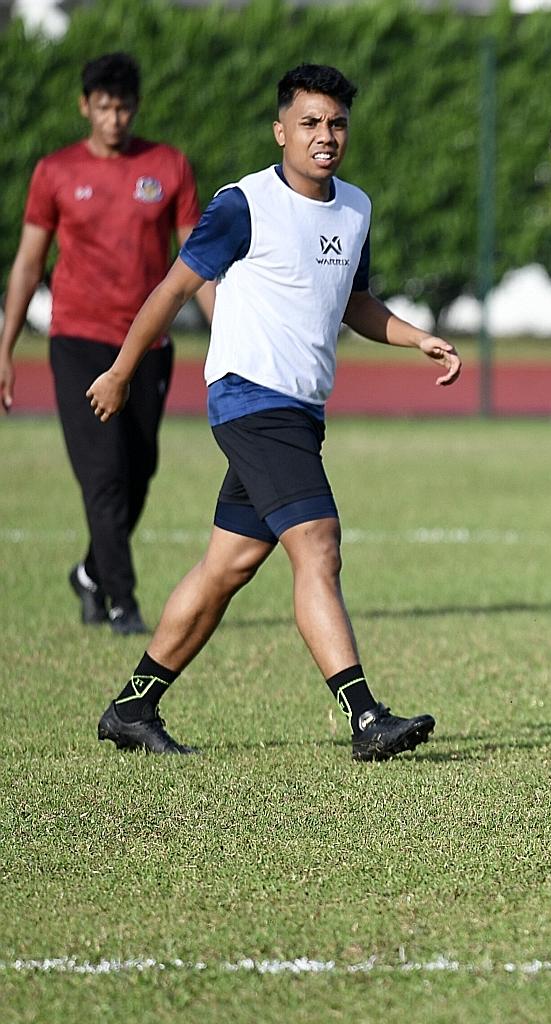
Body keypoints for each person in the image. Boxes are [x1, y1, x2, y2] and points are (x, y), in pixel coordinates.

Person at [83, 64, 461, 760]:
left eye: (338, 123)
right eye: (311, 123)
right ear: (281, 129)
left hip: (300, 409)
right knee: (318, 542)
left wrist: (417, 338)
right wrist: (121, 370)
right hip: (249, 398)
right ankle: (364, 716)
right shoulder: (242, 204)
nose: (326, 136)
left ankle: (132, 708)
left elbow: (354, 302)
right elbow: (172, 290)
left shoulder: (356, 209)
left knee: (227, 566)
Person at [0, 52, 216, 635]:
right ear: (84, 107)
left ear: (135, 107)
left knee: (139, 470)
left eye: (123, 107)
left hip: (147, 346)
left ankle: (92, 573)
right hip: (78, 342)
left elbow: (196, 261)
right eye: (103, 108)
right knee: (104, 474)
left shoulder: (168, 166)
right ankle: (123, 601)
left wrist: (229, 334)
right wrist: (5, 350)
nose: (114, 118)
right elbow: (27, 264)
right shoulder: (55, 172)